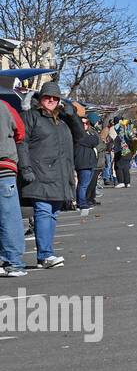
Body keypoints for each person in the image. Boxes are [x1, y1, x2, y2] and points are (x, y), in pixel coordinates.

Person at [16, 81, 76, 269]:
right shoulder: (30, 116)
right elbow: (22, 143)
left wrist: (71, 114)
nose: (51, 100)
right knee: (43, 211)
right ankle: (45, 254)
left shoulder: (61, 120)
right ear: (40, 98)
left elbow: (80, 137)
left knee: (53, 214)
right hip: (39, 173)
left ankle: (46, 255)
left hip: (59, 175)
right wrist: (25, 168)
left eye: (55, 98)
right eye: (47, 97)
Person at [0, 97, 28, 276]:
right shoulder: (4, 106)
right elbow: (21, 132)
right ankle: (14, 262)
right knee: (10, 216)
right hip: (4, 166)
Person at [74, 112, 101, 216]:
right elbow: (93, 141)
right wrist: (91, 138)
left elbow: (96, 140)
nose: (85, 125)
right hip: (82, 163)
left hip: (90, 163)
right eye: (82, 123)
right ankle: (82, 203)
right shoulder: (78, 135)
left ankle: (82, 201)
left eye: (86, 123)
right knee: (83, 185)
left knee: (86, 184)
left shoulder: (89, 133)